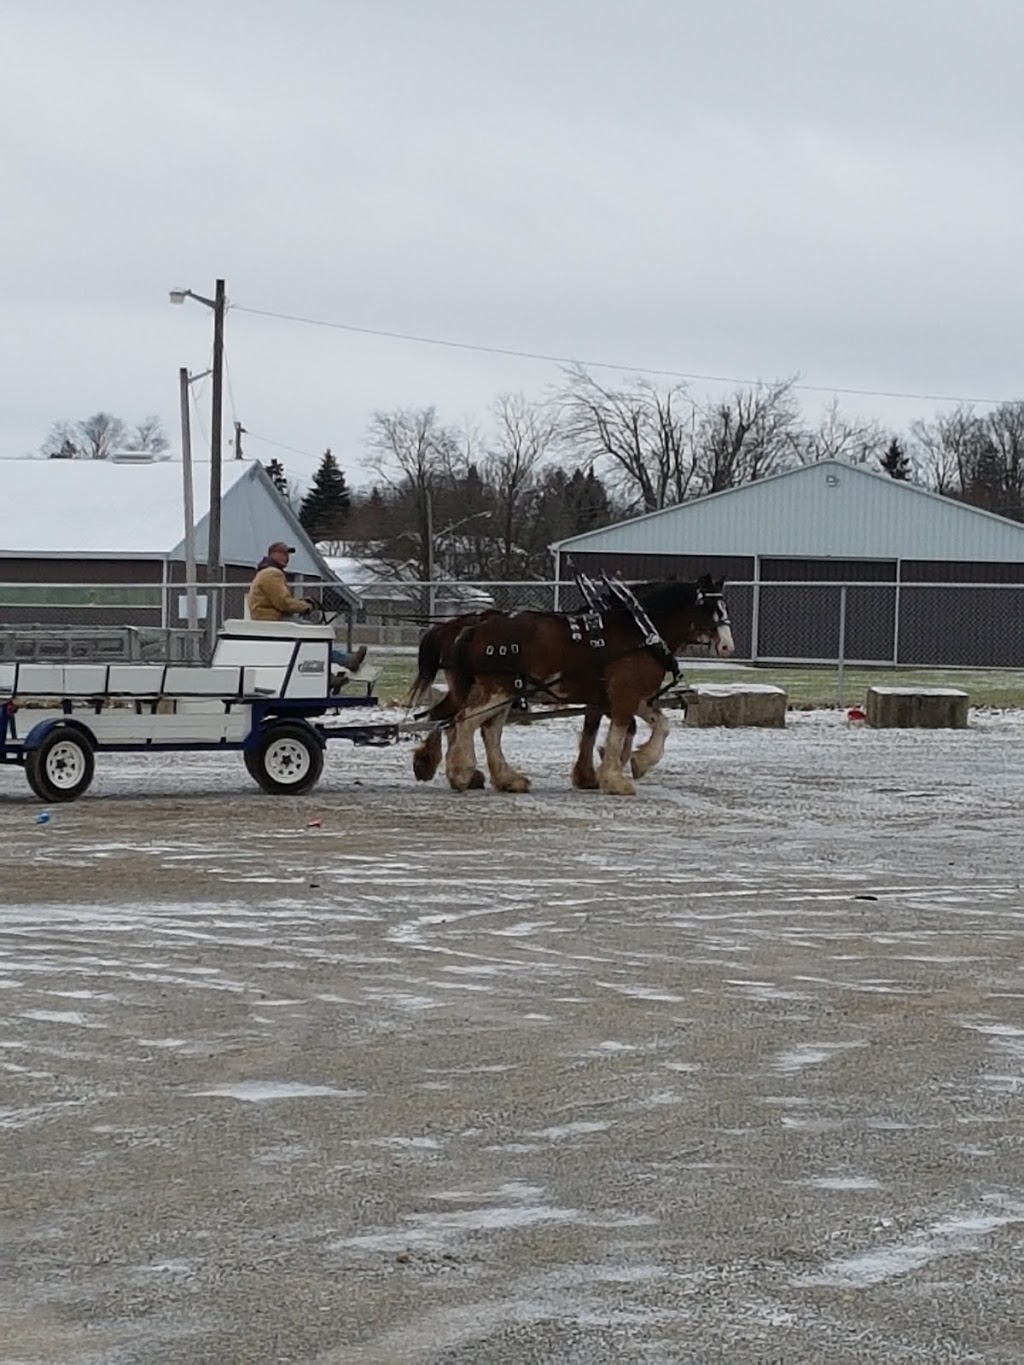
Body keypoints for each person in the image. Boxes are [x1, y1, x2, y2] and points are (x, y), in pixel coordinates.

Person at [247, 542, 367, 673]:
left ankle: (335, 667)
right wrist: (305, 606)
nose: (286, 557)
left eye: (287, 554)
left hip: (267, 618)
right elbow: (283, 603)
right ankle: (345, 662)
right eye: (282, 553)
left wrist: (300, 602)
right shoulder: (272, 573)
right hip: (272, 620)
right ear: (272, 554)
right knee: (314, 634)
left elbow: (278, 600)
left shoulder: (266, 572)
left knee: (312, 636)